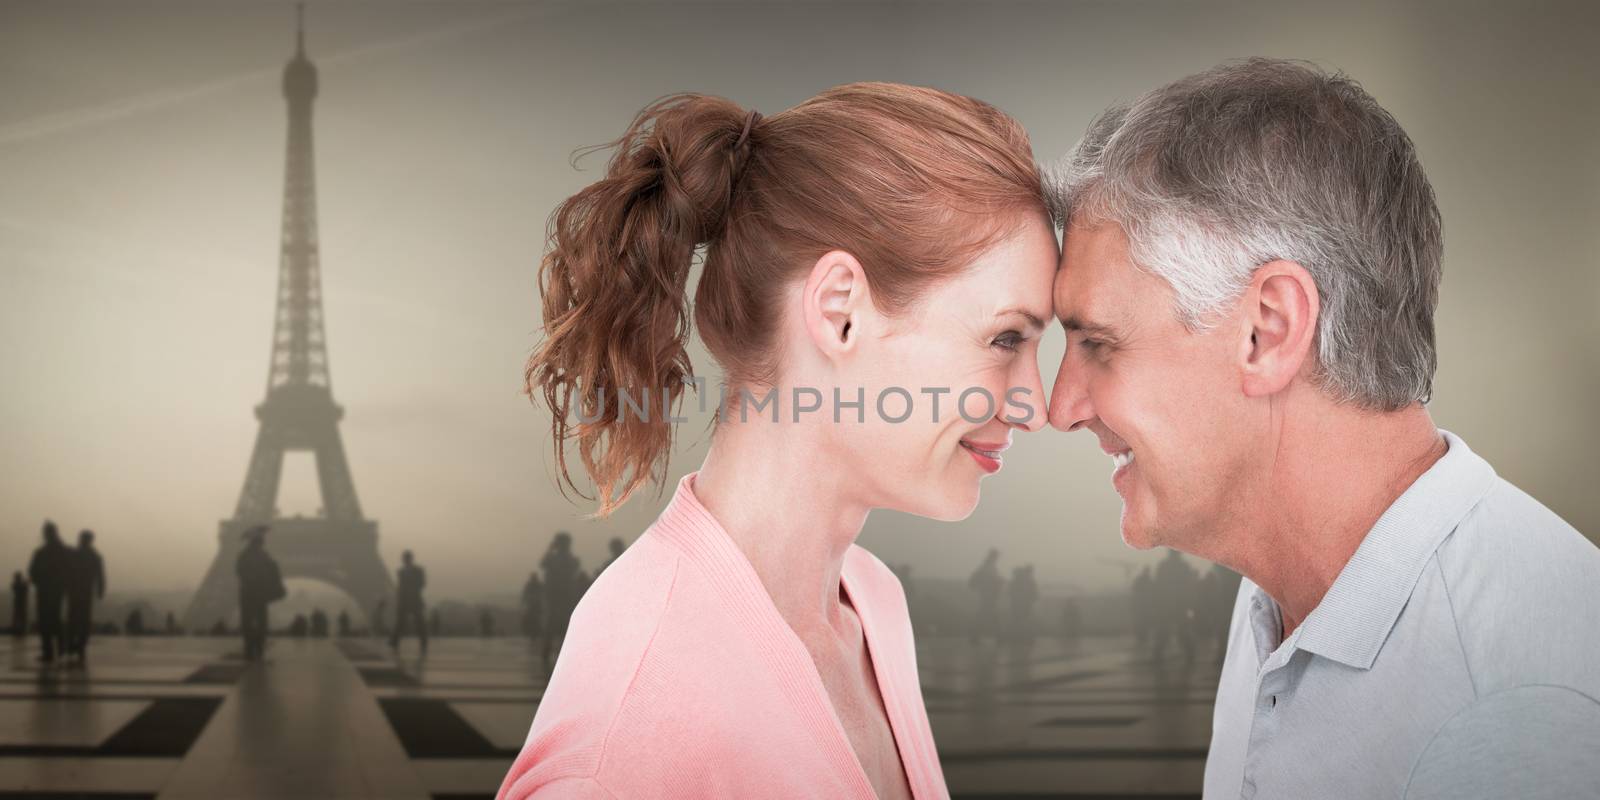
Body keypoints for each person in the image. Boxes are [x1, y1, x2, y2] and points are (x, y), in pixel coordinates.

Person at [1046, 58, 1600, 798]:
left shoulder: (1510, 713)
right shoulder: (1283, 606)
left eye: (1098, 344)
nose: (1060, 407)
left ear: (1268, 330)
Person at [499, 83, 1054, 800]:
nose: (1036, 406)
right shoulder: (631, 733)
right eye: (1006, 338)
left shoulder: (871, 604)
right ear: (839, 312)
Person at [236, 525, 285, 661]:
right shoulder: (265, 557)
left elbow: (240, 571)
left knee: (248, 620)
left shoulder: (244, 556)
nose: (263, 542)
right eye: (261, 540)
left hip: (248, 592)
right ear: (259, 542)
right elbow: (272, 571)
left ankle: (250, 647)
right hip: (259, 592)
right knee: (261, 619)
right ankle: (258, 646)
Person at [28, 521, 71, 664]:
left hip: (45, 590)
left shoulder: (41, 552)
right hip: (56, 590)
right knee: (54, 619)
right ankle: (60, 648)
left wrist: (40, 581)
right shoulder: (64, 551)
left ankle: (49, 651)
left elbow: (33, 572)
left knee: (46, 621)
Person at [537, 533, 578, 666]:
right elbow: (543, 564)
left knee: (556, 624)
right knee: (557, 624)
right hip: (559, 596)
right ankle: (556, 651)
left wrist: (550, 549)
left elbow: (543, 564)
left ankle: (551, 651)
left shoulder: (565, 560)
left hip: (559, 596)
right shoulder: (570, 559)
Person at [65, 529, 106, 663]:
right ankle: (80, 645)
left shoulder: (74, 554)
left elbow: (66, 572)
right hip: (85, 591)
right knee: (83, 619)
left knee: (73, 618)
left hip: (74, 590)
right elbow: (100, 576)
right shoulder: (94, 556)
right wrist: (100, 590)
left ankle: (73, 644)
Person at [390, 550, 428, 652]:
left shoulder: (418, 570)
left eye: (406, 558)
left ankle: (423, 642)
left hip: (414, 599)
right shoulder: (400, 571)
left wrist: (411, 588)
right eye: (404, 558)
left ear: (410, 559)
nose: (404, 560)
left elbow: (422, 583)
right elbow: (400, 586)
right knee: (400, 621)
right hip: (404, 600)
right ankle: (394, 641)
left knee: (419, 622)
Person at [967, 548, 1003, 644]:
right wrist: (999, 582)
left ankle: (975, 637)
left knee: (984, 616)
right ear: (994, 556)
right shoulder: (989, 567)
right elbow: (991, 581)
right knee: (990, 616)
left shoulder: (986, 566)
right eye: (996, 556)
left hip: (986, 595)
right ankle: (999, 637)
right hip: (989, 596)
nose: (997, 558)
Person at [520, 571, 544, 642]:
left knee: (535, 619)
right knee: (534, 619)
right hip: (533, 605)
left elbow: (525, 594)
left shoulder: (535, 585)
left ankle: (535, 633)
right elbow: (525, 594)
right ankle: (534, 633)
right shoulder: (533, 585)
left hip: (535, 605)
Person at [9, 571, 27, 638]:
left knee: (18, 616)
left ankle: (19, 629)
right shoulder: (19, 584)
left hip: (19, 603)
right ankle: (20, 629)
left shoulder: (18, 584)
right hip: (20, 603)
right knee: (19, 616)